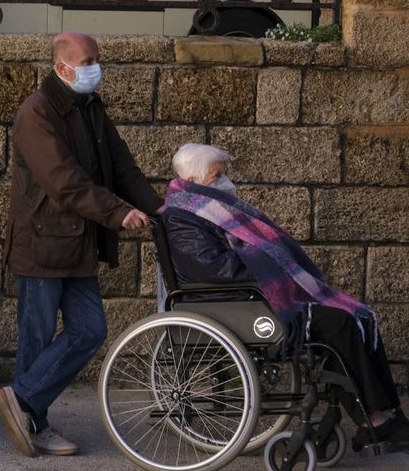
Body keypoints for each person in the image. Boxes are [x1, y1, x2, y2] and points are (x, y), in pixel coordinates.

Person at [162, 142, 409, 448]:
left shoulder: (206, 207)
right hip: (234, 303)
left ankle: (386, 413)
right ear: (195, 181)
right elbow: (212, 270)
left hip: (252, 297)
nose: (226, 180)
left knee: (357, 315)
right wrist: (269, 263)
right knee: (339, 324)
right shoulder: (181, 216)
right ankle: (373, 419)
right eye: (217, 175)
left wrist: (270, 260)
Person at [0, 31, 162, 457]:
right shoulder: (36, 112)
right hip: (42, 244)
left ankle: (22, 400)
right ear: (62, 66)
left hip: (78, 243)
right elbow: (62, 180)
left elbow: (122, 165)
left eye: (97, 60)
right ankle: (35, 422)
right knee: (37, 337)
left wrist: (160, 209)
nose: (95, 68)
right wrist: (117, 212)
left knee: (90, 330)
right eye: (88, 61)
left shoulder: (90, 108)